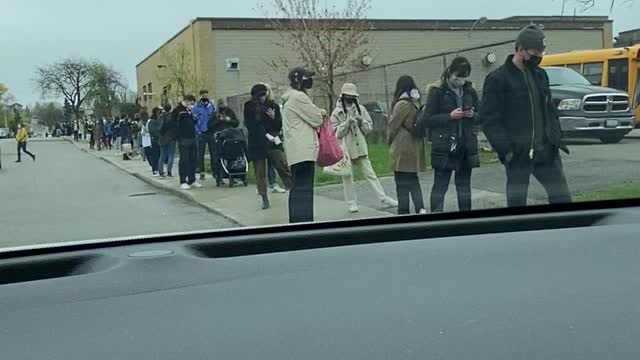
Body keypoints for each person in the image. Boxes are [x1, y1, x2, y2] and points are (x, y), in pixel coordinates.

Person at [481, 25, 571, 207]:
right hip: (518, 155)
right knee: (517, 204)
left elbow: (549, 110)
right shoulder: (498, 79)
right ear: (520, 49)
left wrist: (556, 139)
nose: (539, 56)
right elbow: (489, 119)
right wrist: (506, 151)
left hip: (546, 152)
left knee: (563, 199)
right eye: (535, 52)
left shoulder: (540, 75)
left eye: (542, 51)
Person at [423, 57, 480, 213]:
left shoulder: (469, 91)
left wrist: (473, 115)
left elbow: (482, 115)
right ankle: (435, 216)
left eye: (463, 78)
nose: (460, 81)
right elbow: (427, 119)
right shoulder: (437, 92)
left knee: (464, 187)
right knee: (440, 186)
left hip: (465, 146)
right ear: (449, 73)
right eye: (457, 77)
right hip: (445, 147)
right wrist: (449, 116)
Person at [330, 83, 398, 213]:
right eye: (348, 96)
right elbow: (336, 133)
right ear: (343, 96)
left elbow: (369, 129)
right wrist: (346, 124)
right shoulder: (337, 112)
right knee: (347, 176)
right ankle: (351, 202)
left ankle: (383, 199)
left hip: (360, 147)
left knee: (370, 174)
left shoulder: (360, 109)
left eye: (352, 96)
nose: (350, 99)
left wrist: (361, 121)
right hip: (346, 149)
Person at [282, 67, 325, 223]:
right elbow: (316, 119)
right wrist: (321, 112)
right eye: (306, 78)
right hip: (304, 151)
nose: (309, 81)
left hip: (295, 151)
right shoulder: (299, 97)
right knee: (305, 190)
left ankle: (296, 221)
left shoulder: (289, 98)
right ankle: (305, 223)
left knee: (297, 189)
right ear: (299, 80)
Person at [245, 84, 293, 210]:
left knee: (281, 163)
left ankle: (292, 188)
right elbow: (252, 126)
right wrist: (265, 134)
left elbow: (278, 125)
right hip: (257, 142)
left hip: (272, 141)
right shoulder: (249, 106)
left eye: (263, 94)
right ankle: (264, 198)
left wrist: (273, 118)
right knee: (260, 173)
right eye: (259, 95)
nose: (262, 97)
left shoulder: (273, 106)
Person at [388, 75, 427, 215]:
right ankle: (420, 208)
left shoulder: (402, 103)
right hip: (415, 144)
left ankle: (403, 211)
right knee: (413, 178)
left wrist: (389, 141)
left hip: (403, 145)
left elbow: (393, 126)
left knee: (401, 180)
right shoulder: (415, 102)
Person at [175, 95, 202, 190]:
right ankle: (183, 180)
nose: (192, 105)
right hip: (183, 138)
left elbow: (190, 123)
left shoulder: (188, 111)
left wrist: (195, 120)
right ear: (186, 101)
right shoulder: (179, 110)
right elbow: (175, 124)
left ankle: (192, 179)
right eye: (191, 103)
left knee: (193, 159)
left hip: (192, 137)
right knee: (184, 160)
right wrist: (178, 136)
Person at [211, 97, 240, 185]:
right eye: (221, 105)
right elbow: (210, 125)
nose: (223, 107)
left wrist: (229, 120)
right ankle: (219, 176)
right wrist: (218, 120)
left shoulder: (230, 112)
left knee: (231, 156)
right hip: (219, 137)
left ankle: (233, 175)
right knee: (219, 157)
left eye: (224, 105)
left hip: (229, 137)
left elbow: (236, 123)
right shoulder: (215, 114)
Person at [193, 90, 217, 181]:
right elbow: (194, 120)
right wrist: (198, 131)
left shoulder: (212, 106)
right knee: (200, 154)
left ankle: (214, 172)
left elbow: (215, 117)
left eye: (206, 95)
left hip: (210, 132)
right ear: (200, 96)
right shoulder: (197, 107)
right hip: (201, 132)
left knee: (213, 153)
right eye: (203, 95)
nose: (205, 97)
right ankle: (202, 172)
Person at [158, 104, 177, 178]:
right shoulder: (172, 116)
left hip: (162, 137)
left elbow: (158, 127)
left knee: (162, 155)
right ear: (170, 109)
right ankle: (169, 171)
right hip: (171, 137)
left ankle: (161, 172)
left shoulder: (160, 116)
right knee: (171, 155)